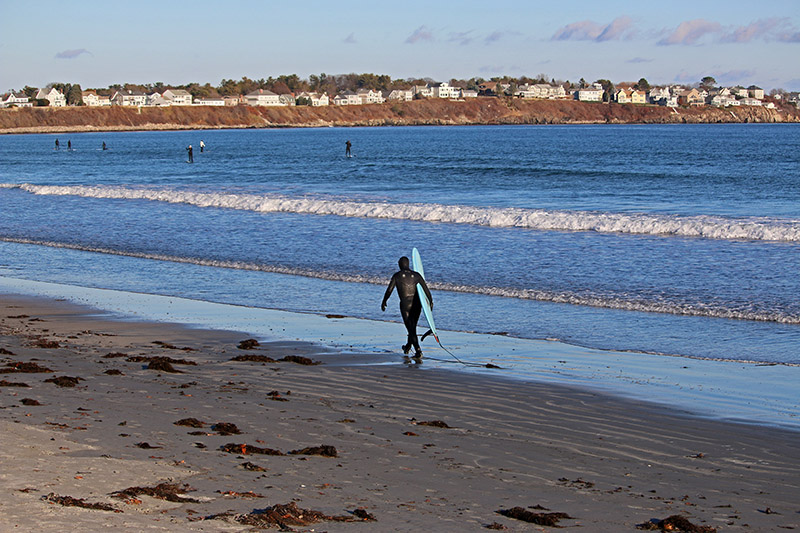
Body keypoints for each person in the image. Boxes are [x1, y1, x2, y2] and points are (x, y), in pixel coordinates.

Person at [381, 256, 433, 359]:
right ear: (408, 264)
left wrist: (384, 301)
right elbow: (426, 291)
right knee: (412, 327)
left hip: (405, 304)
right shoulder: (417, 275)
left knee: (411, 328)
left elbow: (389, 290)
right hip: (417, 304)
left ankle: (418, 350)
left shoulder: (397, 275)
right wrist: (430, 302)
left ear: (400, 264)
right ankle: (408, 346)